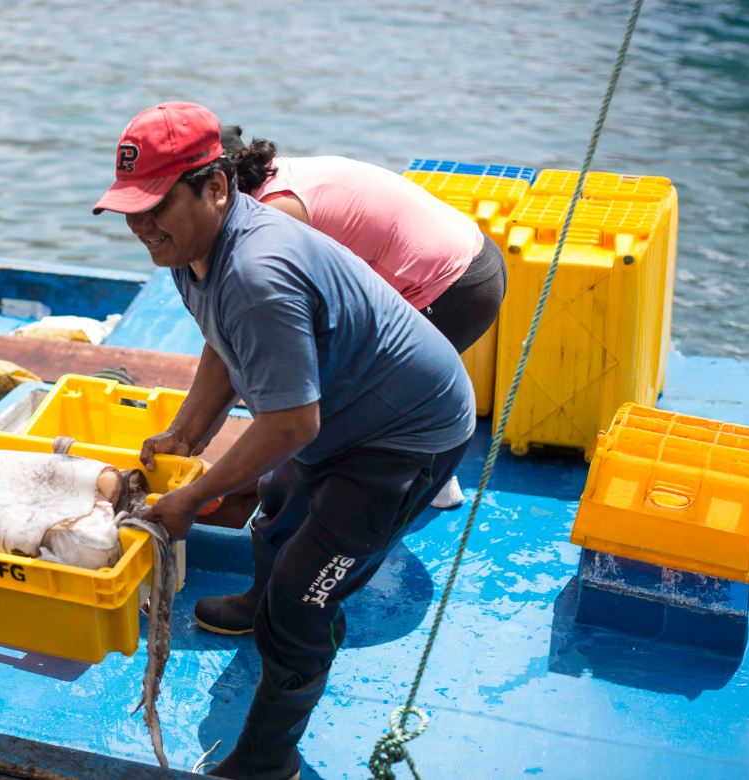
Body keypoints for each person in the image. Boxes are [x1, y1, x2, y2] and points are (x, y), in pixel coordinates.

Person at [94, 102, 474, 780]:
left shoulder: (257, 270)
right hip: (346, 410)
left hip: (408, 436)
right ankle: (250, 609)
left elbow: (292, 424)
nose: (141, 226)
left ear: (215, 188)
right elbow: (223, 340)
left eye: (155, 204)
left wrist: (196, 497)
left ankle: (269, 760)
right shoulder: (191, 251)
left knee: (303, 596)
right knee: (274, 509)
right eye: (130, 207)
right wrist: (187, 430)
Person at [223, 127, 507, 510]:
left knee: (341, 397)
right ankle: (432, 473)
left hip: (452, 287)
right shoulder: (275, 175)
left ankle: (406, 485)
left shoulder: (274, 214)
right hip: (477, 258)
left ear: (214, 190)